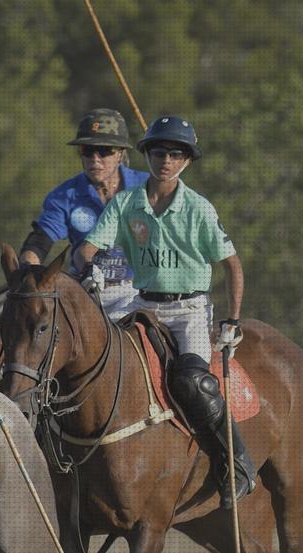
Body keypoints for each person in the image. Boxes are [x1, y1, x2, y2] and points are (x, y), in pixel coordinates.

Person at [76, 115, 257, 508]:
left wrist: (233, 319)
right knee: (110, 366)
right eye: (160, 152)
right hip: (142, 303)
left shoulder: (199, 209)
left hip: (189, 309)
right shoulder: (126, 203)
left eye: (176, 154)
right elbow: (88, 247)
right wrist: (89, 267)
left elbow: (233, 266)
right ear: (146, 155)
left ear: (187, 161)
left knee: (194, 382)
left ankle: (237, 461)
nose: (167, 160)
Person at [19, 108, 149, 319]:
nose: (95, 159)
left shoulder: (146, 187)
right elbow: (39, 242)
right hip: (84, 291)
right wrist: (29, 272)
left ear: (120, 154)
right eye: (87, 151)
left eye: (104, 150)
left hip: (137, 291)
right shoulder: (65, 195)